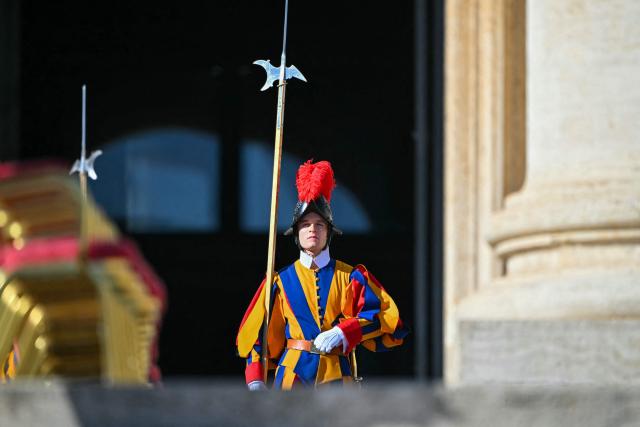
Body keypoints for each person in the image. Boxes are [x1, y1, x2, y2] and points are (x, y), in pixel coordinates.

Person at [236, 160, 408, 390]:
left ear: (329, 232)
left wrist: (343, 332)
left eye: (319, 224)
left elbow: (388, 320)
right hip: (291, 380)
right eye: (305, 224)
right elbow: (258, 337)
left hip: (338, 377)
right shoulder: (279, 281)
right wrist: (256, 380)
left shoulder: (351, 277)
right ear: (297, 233)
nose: (312, 230)